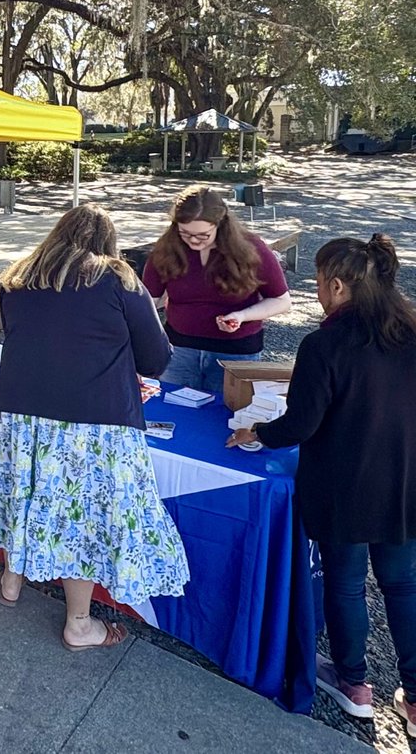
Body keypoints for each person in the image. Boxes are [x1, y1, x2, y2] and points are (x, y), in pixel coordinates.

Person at [228, 235, 416, 729]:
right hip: (406, 481)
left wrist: (257, 431)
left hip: (345, 484)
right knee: (402, 584)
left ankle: (353, 682)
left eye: (316, 282)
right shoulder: (410, 329)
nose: (316, 292)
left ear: (336, 285)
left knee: (347, 583)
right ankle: (415, 697)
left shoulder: (325, 342)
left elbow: (301, 424)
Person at [0, 203, 188, 650]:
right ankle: (78, 622)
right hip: (92, 422)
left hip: (18, 413)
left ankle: (11, 582)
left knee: (25, 492)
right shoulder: (117, 279)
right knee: (80, 519)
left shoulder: (17, 278)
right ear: (107, 244)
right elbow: (156, 360)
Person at [142, 185, 291, 396]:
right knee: (175, 410)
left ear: (220, 225)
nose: (193, 240)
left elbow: (281, 300)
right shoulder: (166, 249)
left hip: (236, 353)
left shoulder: (252, 248)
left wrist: (242, 316)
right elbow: (148, 300)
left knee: (226, 416)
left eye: (203, 235)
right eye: (185, 233)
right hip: (179, 348)